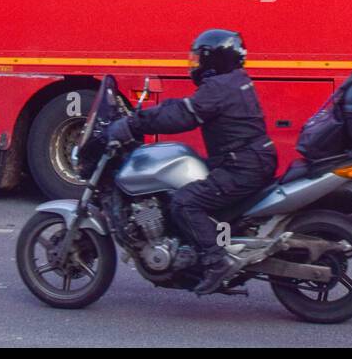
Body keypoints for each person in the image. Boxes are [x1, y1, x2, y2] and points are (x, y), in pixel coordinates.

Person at [106, 29, 277, 295]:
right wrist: (148, 114)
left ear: (215, 58)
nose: (194, 63)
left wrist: (133, 124)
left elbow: (183, 117)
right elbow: (182, 106)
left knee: (185, 202)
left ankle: (215, 261)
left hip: (243, 166)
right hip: (248, 160)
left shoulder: (220, 87)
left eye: (198, 58)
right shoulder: (232, 81)